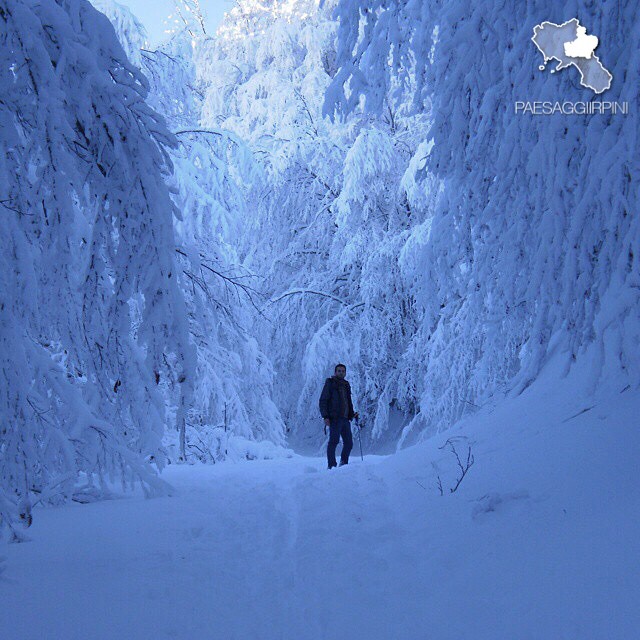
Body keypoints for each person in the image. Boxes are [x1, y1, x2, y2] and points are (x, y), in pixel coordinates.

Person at [319, 363, 359, 469]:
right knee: (334, 441)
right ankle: (331, 465)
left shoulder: (346, 384)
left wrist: (352, 413)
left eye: (343, 371)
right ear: (335, 372)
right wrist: (325, 416)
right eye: (339, 371)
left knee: (349, 443)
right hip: (335, 418)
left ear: (345, 373)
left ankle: (343, 463)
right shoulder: (330, 383)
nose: (341, 373)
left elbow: (348, 401)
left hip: (345, 419)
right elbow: (323, 400)